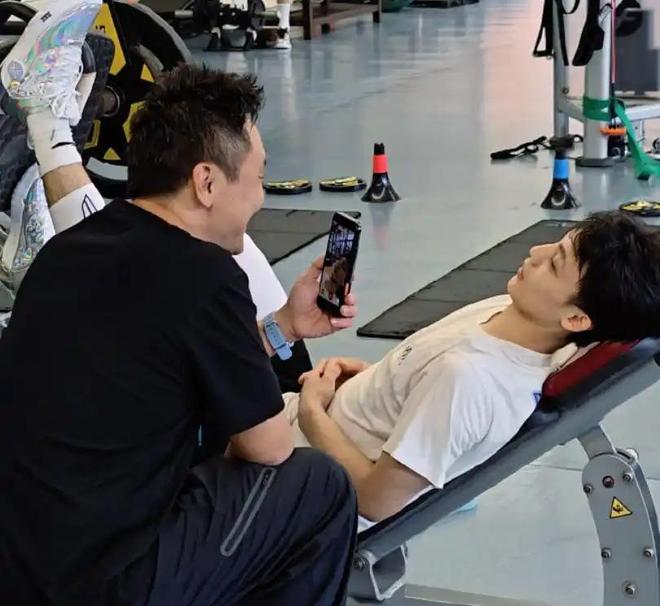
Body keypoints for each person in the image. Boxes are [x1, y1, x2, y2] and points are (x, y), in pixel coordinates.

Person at [0, 1, 358, 604]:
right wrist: (317, 405)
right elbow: (268, 448)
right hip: (109, 583)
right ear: (207, 182)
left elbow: (161, 361)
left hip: (22, 567)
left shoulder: (71, 249)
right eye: (258, 179)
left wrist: (285, 327)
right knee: (316, 484)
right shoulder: (206, 275)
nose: (261, 199)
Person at [284, 211, 660, 529]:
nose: (536, 252)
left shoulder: (469, 381)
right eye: (554, 245)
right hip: (301, 430)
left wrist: (311, 412)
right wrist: (382, 381)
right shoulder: (509, 314)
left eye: (554, 263)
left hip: (294, 484)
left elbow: (375, 501)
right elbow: (431, 388)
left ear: (576, 319)